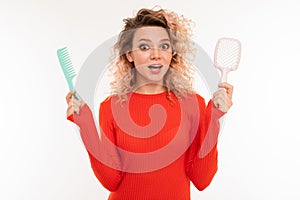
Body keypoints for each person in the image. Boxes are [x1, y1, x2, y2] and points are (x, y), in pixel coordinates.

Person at [65, 7, 233, 200]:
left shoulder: (192, 104)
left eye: (164, 46)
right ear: (129, 55)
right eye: (144, 47)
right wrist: (85, 124)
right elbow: (111, 181)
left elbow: (201, 180)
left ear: (172, 53)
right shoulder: (110, 107)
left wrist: (213, 119)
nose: (156, 54)